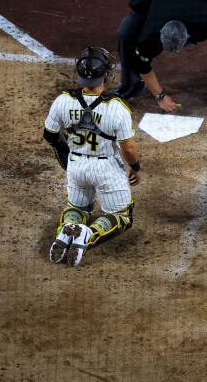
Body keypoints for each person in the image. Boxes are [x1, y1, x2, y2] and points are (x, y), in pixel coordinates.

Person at [43, 47, 142, 267]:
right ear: (105, 76)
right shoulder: (117, 108)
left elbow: (50, 135)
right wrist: (135, 167)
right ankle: (89, 234)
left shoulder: (62, 100)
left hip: (76, 166)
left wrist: (66, 153)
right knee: (122, 216)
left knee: (77, 207)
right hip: (105, 170)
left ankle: (66, 232)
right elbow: (128, 149)